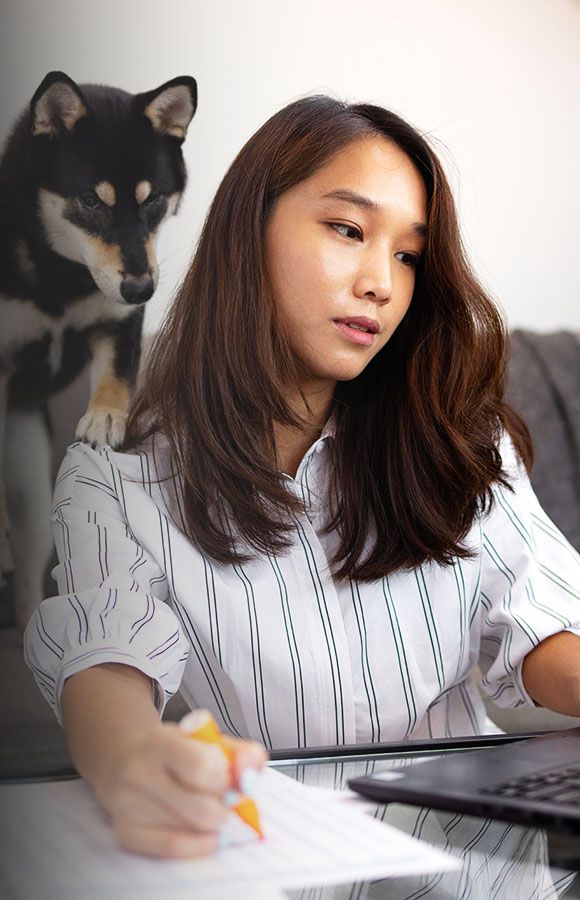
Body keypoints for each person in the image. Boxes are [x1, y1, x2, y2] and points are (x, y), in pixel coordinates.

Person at [24, 95, 580, 860]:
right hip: (278, 871)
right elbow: (104, 662)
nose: (381, 283)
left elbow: (545, 622)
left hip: (473, 875)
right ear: (248, 233)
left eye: (409, 255)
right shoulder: (115, 476)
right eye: (348, 230)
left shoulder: (462, 437)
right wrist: (130, 763)